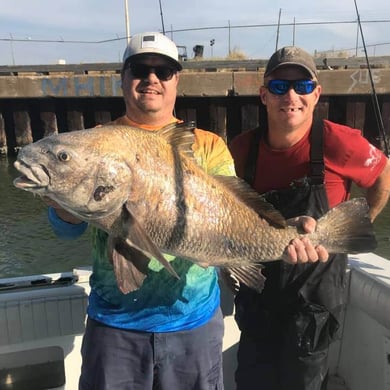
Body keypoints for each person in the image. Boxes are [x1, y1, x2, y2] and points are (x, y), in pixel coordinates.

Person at [45, 34, 326, 390]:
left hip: (193, 326)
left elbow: (235, 211)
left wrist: (283, 229)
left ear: (176, 79)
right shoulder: (98, 140)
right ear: (123, 77)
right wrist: (65, 205)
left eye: (163, 70)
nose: (152, 79)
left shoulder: (208, 145)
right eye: (140, 70)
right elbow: (66, 229)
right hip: (115, 326)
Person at [229, 45, 390, 390]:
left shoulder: (340, 142)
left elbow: (382, 177)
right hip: (259, 294)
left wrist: (348, 233)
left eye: (302, 86)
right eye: (278, 86)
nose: (291, 95)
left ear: (316, 94)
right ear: (263, 95)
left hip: (315, 297)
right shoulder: (242, 150)